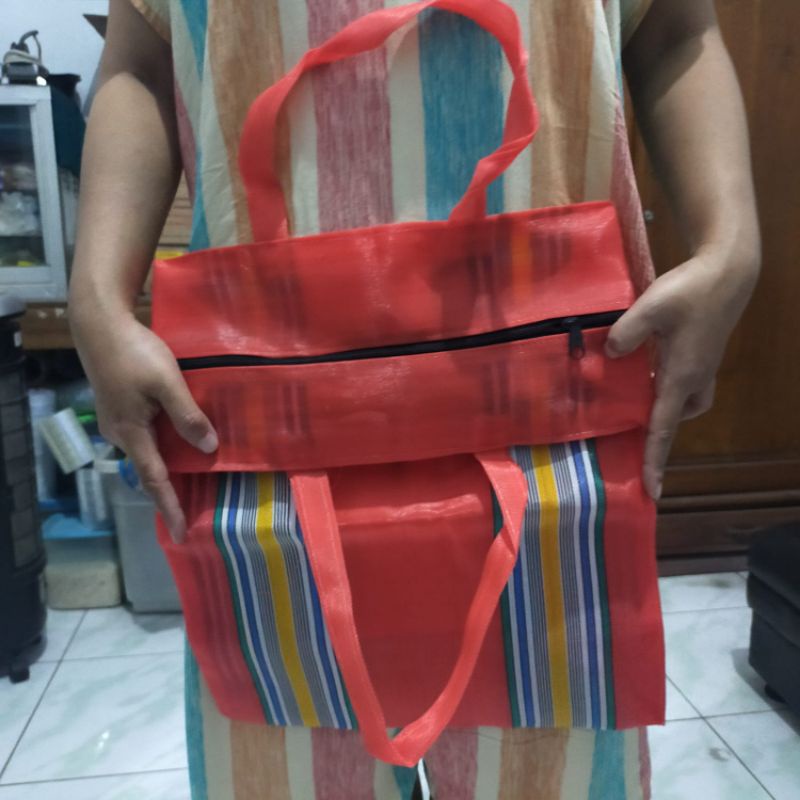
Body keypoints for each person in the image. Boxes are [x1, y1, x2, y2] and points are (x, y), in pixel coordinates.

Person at [68, 0, 759, 797]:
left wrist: (732, 242)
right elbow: (140, 61)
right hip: (262, 437)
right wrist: (95, 297)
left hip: (552, 429)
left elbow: (676, 29)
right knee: (283, 751)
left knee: (551, 755)